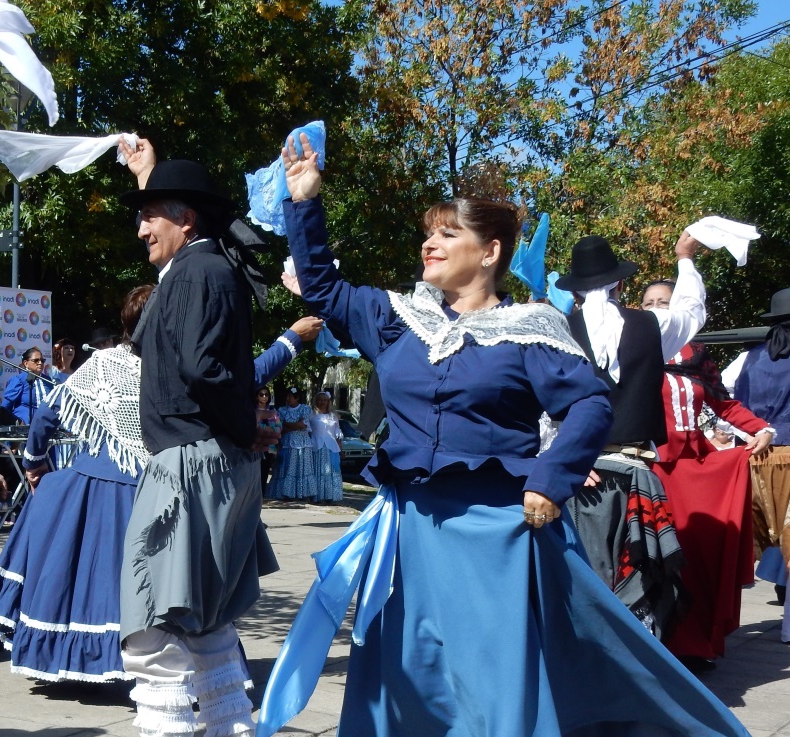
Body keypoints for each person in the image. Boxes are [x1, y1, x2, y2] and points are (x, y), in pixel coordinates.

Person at [264, 134, 750, 737]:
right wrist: (303, 203)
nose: (429, 243)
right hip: (408, 530)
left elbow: (590, 405)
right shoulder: (397, 320)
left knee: (491, 681)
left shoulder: (529, 329)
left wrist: (550, 480)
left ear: (490, 250)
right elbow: (322, 289)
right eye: (429, 232)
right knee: (407, 674)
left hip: (498, 532)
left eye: (447, 234)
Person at [0, 292, 316, 685]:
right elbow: (247, 378)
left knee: (85, 573)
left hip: (97, 489)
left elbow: (47, 417)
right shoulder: (183, 368)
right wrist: (289, 340)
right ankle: (175, 666)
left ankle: (91, 659)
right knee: (169, 587)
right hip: (162, 491)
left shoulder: (102, 364)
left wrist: (36, 466)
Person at [114, 146, 270, 737]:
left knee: (154, 627)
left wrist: (242, 429)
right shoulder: (195, 268)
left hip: (190, 462)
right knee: (202, 626)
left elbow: (203, 368)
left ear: (187, 221)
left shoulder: (201, 269)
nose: (140, 228)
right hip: (197, 457)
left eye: (150, 215)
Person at [556, 231, 706, 636]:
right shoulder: (650, 326)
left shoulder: (555, 331)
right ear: (621, 284)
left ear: (576, 291)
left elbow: (539, 406)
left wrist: (562, 460)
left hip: (578, 474)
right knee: (628, 579)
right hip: (631, 470)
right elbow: (691, 311)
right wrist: (685, 259)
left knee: (584, 577)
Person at [639, 283, 775, 670]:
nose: (657, 309)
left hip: (697, 469)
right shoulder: (631, 351)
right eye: (648, 303)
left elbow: (723, 402)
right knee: (657, 555)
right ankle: (656, 642)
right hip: (653, 469)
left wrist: (761, 428)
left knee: (699, 555)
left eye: (664, 302)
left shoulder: (697, 357)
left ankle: (696, 643)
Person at [732, 287, 790, 644]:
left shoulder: (750, 359)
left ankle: (722, 625)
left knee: (741, 550)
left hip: (751, 456)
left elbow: (733, 409)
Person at [265, 387, 321, 501]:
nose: (288, 398)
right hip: (286, 444)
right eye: (287, 396)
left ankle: (303, 493)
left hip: (302, 445)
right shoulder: (282, 410)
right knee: (286, 468)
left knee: (302, 468)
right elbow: (280, 428)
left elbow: (302, 426)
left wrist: (287, 424)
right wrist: (293, 425)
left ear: (297, 398)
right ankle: (286, 493)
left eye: (290, 396)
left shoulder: (305, 409)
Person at [1, 347, 53, 424]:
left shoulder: (48, 380)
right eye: (36, 360)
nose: (40, 363)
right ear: (26, 363)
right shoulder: (19, 380)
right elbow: (5, 407)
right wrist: (16, 421)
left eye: (42, 360)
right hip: (24, 425)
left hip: (45, 424)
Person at [309, 390, 345, 503]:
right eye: (320, 400)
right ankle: (317, 496)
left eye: (325, 400)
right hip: (316, 446)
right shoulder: (311, 414)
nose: (322, 402)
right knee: (318, 471)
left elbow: (337, 433)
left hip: (331, 447)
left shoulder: (333, 416)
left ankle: (331, 496)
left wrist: (341, 450)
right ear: (316, 401)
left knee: (332, 471)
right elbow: (307, 431)